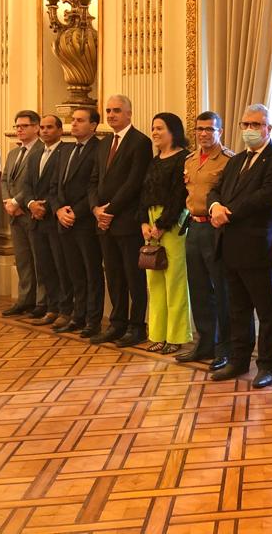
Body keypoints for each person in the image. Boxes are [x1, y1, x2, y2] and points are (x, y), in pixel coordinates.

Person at [207, 104, 272, 386]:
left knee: (267, 312)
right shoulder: (235, 161)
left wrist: (226, 212)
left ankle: (268, 365)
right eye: (245, 125)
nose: (249, 130)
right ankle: (239, 360)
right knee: (237, 309)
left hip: (258, 247)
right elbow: (214, 191)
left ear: (268, 128)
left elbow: (264, 197)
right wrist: (215, 206)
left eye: (255, 125)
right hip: (229, 245)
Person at [89, 95, 153, 347]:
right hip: (104, 222)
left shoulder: (140, 142)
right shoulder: (104, 144)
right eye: (108, 110)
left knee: (132, 276)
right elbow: (94, 180)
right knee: (113, 275)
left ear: (129, 113)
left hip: (126, 220)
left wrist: (110, 210)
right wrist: (95, 209)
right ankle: (117, 323)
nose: (112, 114)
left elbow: (134, 183)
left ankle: (136, 327)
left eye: (117, 110)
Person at [179, 110, 235, 368]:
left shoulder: (229, 160)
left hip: (217, 230)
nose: (203, 134)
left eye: (209, 129)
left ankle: (225, 347)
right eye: (200, 129)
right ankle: (205, 343)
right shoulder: (190, 160)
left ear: (219, 132)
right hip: (194, 227)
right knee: (198, 289)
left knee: (221, 291)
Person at [139, 112, 191, 355]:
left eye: (160, 128)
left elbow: (178, 196)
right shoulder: (154, 159)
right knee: (155, 282)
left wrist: (161, 225)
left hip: (172, 223)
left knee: (175, 281)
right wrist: (143, 223)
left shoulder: (183, 158)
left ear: (173, 131)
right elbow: (144, 194)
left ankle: (177, 336)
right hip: (150, 222)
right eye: (153, 128)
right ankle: (157, 334)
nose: (155, 132)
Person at [52, 107, 104, 336]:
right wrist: (58, 210)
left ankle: (93, 320)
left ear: (93, 125)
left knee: (91, 272)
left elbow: (95, 187)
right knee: (74, 272)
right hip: (63, 220)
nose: (73, 124)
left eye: (80, 120)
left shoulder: (99, 149)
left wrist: (76, 212)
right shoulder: (66, 150)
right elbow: (55, 186)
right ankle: (78, 315)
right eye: (72, 120)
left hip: (83, 222)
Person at [21, 114, 68, 327]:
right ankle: (51, 307)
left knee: (60, 266)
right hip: (35, 219)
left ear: (60, 130)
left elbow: (58, 186)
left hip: (52, 218)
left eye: (50, 127)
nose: (45, 131)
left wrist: (45, 207)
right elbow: (27, 184)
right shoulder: (35, 153)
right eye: (43, 127)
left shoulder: (64, 152)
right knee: (44, 266)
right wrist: (31, 204)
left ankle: (65, 310)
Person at [1, 110, 43, 317]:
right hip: (14, 213)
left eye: (24, 126)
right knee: (22, 260)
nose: (19, 129)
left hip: (31, 212)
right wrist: (8, 202)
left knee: (39, 259)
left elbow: (34, 182)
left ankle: (41, 302)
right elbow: (4, 180)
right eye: (17, 126)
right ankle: (24, 299)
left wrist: (17, 202)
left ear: (36, 127)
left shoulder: (42, 150)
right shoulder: (13, 153)